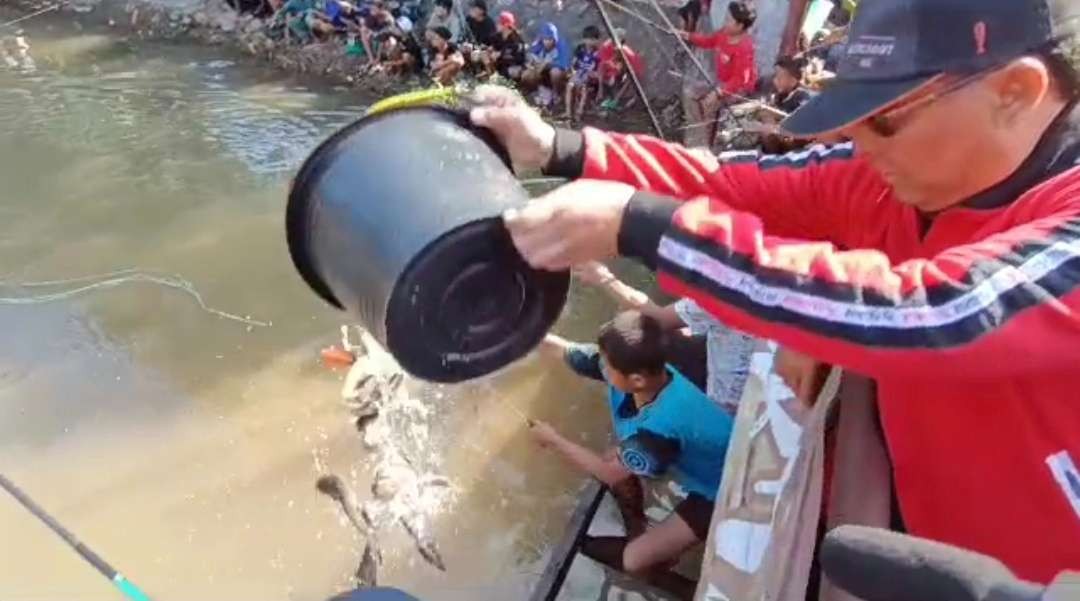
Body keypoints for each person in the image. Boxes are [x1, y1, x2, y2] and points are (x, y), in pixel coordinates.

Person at [471, 0, 1080, 584]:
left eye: (886, 119)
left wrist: (643, 226)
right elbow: (729, 182)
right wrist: (564, 149)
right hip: (919, 528)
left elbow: (930, 313)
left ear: (1015, 92)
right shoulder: (884, 174)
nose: (859, 143)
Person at [534, 311, 734, 599]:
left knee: (634, 559)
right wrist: (520, 339)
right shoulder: (645, 371)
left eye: (607, 364)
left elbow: (611, 474)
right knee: (616, 457)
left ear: (636, 379)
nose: (601, 367)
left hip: (721, 489)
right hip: (693, 459)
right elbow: (569, 351)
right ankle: (638, 524)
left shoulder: (657, 435)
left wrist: (553, 440)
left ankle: (694, 591)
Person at [573, 261, 756, 413]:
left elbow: (656, 318)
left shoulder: (725, 292)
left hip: (723, 407)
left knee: (641, 337)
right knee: (673, 330)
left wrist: (604, 278)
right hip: (753, 371)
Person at [679, 0, 757, 147]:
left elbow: (740, 80)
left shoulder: (744, 47)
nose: (725, 22)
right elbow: (709, 41)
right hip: (721, 84)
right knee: (690, 92)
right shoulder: (723, 33)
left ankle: (706, 146)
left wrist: (719, 92)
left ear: (740, 26)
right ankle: (695, 135)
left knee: (709, 104)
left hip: (738, 90)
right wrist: (689, 36)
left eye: (729, 20)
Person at [754, 55, 815, 153]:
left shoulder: (802, 97)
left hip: (795, 146)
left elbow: (801, 124)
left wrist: (772, 116)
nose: (775, 80)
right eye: (775, 75)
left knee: (767, 123)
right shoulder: (780, 95)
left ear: (793, 80)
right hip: (783, 138)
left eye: (779, 77)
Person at [522, 22, 571, 109]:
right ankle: (536, 92)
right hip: (542, 72)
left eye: (550, 39)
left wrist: (547, 64)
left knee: (555, 72)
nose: (547, 42)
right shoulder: (539, 42)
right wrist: (531, 62)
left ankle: (557, 95)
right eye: (545, 39)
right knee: (527, 74)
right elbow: (530, 53)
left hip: (558, 74)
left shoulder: (562, 45)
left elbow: (564, 64)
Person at [595, 29, 644, 112]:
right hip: (616, 66)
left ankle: (615, 100)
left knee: (628, 80)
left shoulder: (626, 53)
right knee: (604, 71)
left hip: (630, 69)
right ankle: (604, 94)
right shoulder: (607, 46)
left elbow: (634, 72)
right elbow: (603, 62)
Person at [564, 25, 602, 121]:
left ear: (597, 40)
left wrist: (594, 74)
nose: (589, 42)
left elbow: (600, 70)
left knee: (584, 88)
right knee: (570, 85)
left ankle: (579, 112)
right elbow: (573, 63)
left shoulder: (598, 53)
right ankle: (568, 112)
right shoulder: (580, 48)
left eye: (592, 39)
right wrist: (572, 71)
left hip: (590, 75)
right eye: (587, 39)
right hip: (579, 72)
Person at [482, 11, 526, 81]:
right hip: (501, 64)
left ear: (506, 25)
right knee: (484, 55)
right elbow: (486, 44)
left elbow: (516, 55)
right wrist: (488, 50)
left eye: (499, 23)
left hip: (515, 65)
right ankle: (491, 77)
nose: (497, 24)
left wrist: (500, 54)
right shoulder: (497, 36)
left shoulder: (517, 38)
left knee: (511, 71)